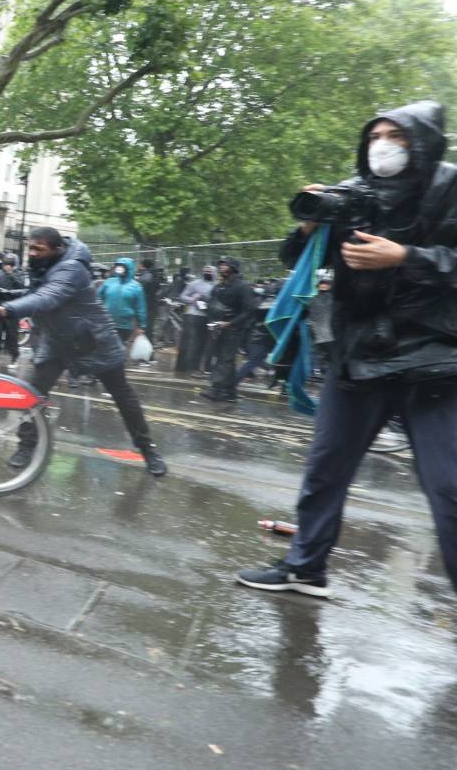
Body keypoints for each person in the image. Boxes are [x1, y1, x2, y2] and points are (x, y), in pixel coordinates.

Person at [238, 101, 457, 598]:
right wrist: (309, 227)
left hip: (435, 362)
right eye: (375, 136)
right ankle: (305, 568)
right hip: (357, 357)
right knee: (325, 469)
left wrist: (405, 256)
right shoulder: (353, 192)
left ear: (422, 144)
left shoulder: (450, 189)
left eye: (396, 137)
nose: (382, 146)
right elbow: (295, 260)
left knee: (448, 486)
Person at [0, 227, 168, 477]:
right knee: (31, 395)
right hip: (58, 341)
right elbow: (41, 292)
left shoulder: (72, 268)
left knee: (124, 397)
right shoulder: (50, 264)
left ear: (57, 249)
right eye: (31, 248)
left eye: (39, 249)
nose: (33, 253)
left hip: (94, 340)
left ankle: (148, 450)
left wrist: (5, 309)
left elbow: (49, 296)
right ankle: (26, 446)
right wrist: (12, 295)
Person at [201, 256, 258, 403]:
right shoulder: (220, 286)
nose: (221, 267)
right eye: (220, 264)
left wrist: (231, 323)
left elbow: (250, 310)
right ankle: (230, 392)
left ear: (233, 268)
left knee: (224, 359)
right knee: (227, 360)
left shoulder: (242, 287)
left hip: (233, 330)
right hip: (218, 327)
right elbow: (212, 302)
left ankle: (216, 389)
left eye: (225, 265)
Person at [100, 257, 149, 362]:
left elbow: (140, 307)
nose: (119, 269)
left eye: (122, 267)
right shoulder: (109, 282)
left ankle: (116, 371)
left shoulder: (136, 287)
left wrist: (142, 325)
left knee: (118, 350)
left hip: (124, 325)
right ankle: (102, 373)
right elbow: (97, 299)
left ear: (128, 269)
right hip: (106, 322)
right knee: (104, 349)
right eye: (118, 266)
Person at [175, 266, 216, 376]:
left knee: (200, 344)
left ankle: (195, 367)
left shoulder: (216, 286)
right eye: (205, 271)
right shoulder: (195, 283)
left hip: (206, 316)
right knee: (191, 342)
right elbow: (182, 296)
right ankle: (185, 367)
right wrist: (192, 300)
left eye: (210, 271)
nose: (207, 273)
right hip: (193, 315)